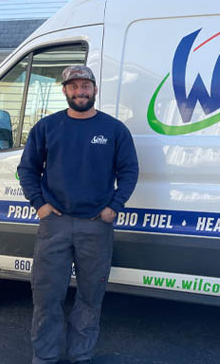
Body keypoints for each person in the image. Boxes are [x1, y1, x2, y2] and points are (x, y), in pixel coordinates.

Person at [17, 65, 139, 364]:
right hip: (54, 225)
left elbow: (129, 170)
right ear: (65, 91)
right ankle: (45, 357)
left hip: (96, 227)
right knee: (47, 296)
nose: (80, 91)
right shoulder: (46, 128)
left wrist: (114, 207)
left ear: (95, 90)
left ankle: (80, 356)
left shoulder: (114, 129)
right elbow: (27, 170)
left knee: (89, 297)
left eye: (85, 86)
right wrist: (40, 205)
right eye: (74, 86)